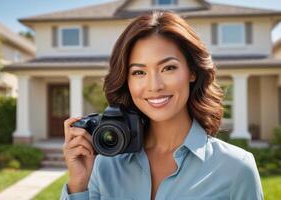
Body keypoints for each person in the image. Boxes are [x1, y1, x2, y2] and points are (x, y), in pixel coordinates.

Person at [61, 10, 264, 200]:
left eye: (168, 68)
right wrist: (79, 184)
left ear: (192, 72)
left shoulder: (237, 168)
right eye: (139, 72)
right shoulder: (105, 165)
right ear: (127, 81)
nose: (155, 86)